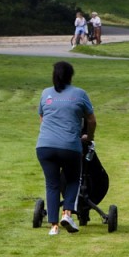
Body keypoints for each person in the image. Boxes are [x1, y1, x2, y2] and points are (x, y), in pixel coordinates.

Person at [36, 59, 95, 236]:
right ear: (70, 76)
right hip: (69, 146)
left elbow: (42, 118)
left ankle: (54, 226)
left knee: (52, 184)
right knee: (73, 180)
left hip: (45, 146)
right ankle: (67, 213)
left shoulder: (46, 93)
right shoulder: (79, 94)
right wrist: (89, 137)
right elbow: (91, 120)